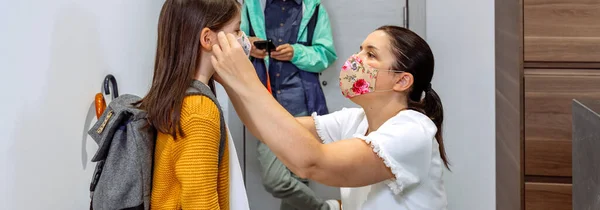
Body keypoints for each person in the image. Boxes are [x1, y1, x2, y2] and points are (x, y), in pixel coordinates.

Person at [210, 25, 449, 209]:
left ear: (402, 80)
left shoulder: (412, 130)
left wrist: (247, 79)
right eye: (360, 50)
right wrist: (230, 79)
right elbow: (268, 128)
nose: (356, 60)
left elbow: (312, 163)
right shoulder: (356, 120)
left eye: (371, 55)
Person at [138, 0, 251, 209]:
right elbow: (201, 204)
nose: (242, 40)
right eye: (237, 30)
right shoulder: (198, 110)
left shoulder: (179, 97)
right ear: (207, 38)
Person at [241, 0, 338, 209]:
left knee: (301, 175)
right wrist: (249, 47)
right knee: (275, 180)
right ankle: (324, 208)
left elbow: (326, 54)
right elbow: (232, 41)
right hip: (265, 103)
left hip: (300, 102)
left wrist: (297, 53)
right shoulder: (251, 6)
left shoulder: (314, 8)